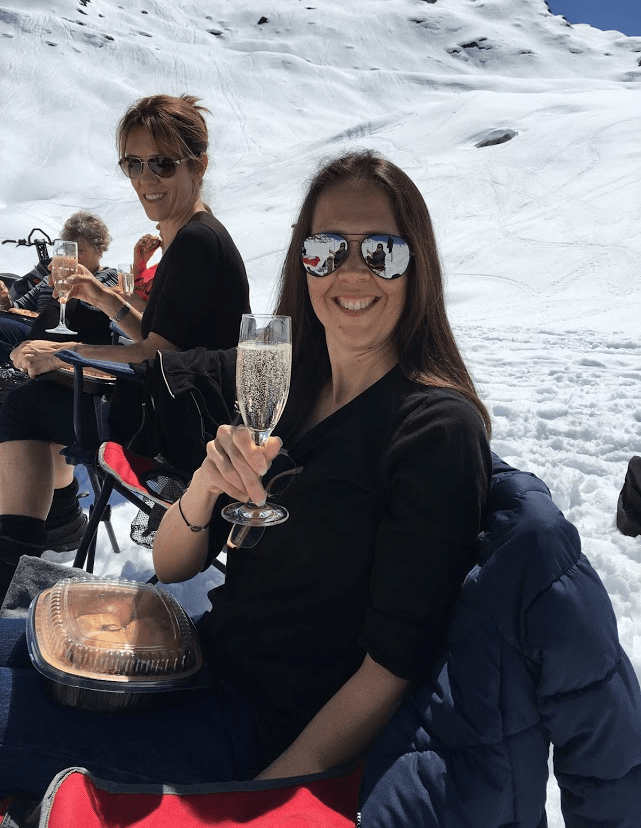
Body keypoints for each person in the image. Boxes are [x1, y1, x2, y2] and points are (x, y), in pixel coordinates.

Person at [0, 150, 492, 794]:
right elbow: (177, 566)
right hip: (193, 663)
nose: (350, 271)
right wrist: (206, 484)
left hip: (253, 733)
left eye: (381, 251)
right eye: (325, 249)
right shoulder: (288, 387)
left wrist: (261, 802)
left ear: (417, 263)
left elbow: (389, 670)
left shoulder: (434, 430)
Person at [0, 93, 250, 585]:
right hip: (181, 405)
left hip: (175, 423)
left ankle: (14, 568)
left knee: (21, 406)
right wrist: (100, 295)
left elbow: (162, 353)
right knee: (31, 396)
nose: (144, 180)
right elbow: (162, 335)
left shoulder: (197, 242)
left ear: (197, 165)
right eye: (132, 164)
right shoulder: (189, 234)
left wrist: (64, 353)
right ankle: (56, 529)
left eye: (161, 164)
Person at [0, 212, 117, 363]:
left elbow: (96, 312)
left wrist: (33, 315)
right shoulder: (56, 275)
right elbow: (18, 307)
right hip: (32, 330)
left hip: (62, 342)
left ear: (99, 250)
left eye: (79, 251)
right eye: (69, 251)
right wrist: (4, 299)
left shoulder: (108, 277)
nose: (73, 258)